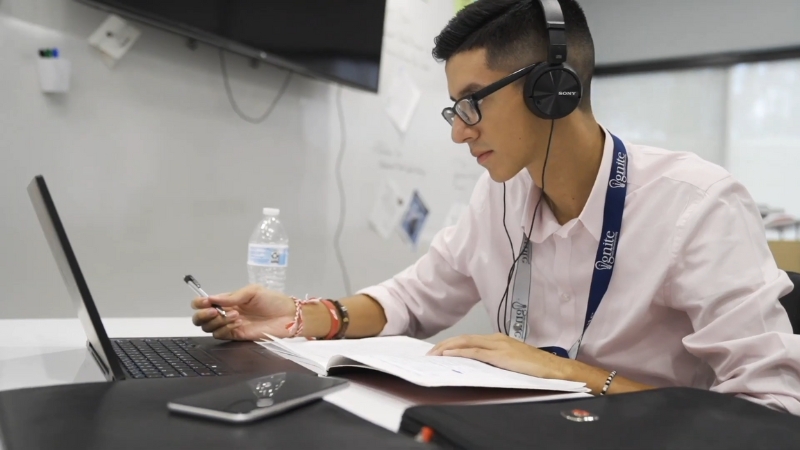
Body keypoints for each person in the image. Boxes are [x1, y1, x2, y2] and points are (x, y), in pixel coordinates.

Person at [191, 0, 800, 413]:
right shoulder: (501, 196)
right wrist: (299, 315)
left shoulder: (696, 207)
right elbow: (409, 300)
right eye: (455, 109)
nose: (461, 132)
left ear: (551, 88)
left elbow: (773, 411)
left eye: (473, 103)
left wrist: (575, 373)